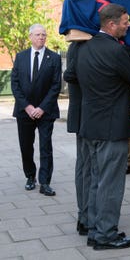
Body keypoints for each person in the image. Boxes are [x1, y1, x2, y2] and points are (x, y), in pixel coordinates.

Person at [75, 3, 130, 250]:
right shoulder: (115, 51)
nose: (129, 25)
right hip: (112, 129)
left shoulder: (85, 49)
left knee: (96, 181)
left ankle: (96, 230)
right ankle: (106, 235)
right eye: (125, 21)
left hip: (91, 126)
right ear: (111, 24)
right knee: (111, 184)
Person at [10, 24, 62, 197]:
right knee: (26, 146)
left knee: (45, 146)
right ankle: (30, 176)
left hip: (45, 112)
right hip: (24, 111)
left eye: (44, 35)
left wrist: (41, 108)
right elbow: (15, 85)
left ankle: (45, 182)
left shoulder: (54, 58)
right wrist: (28, 106)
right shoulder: (21, 57)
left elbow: (56, 86)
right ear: (30, 36)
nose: (42, 37)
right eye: (38, 34)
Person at [63, 35, 91, 235]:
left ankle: (84, 215)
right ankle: (85, 216)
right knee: (86, 166)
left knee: (84, 165)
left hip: (83, 114)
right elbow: (70, 75)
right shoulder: (81, 46)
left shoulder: (76, 46)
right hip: (86, 115)